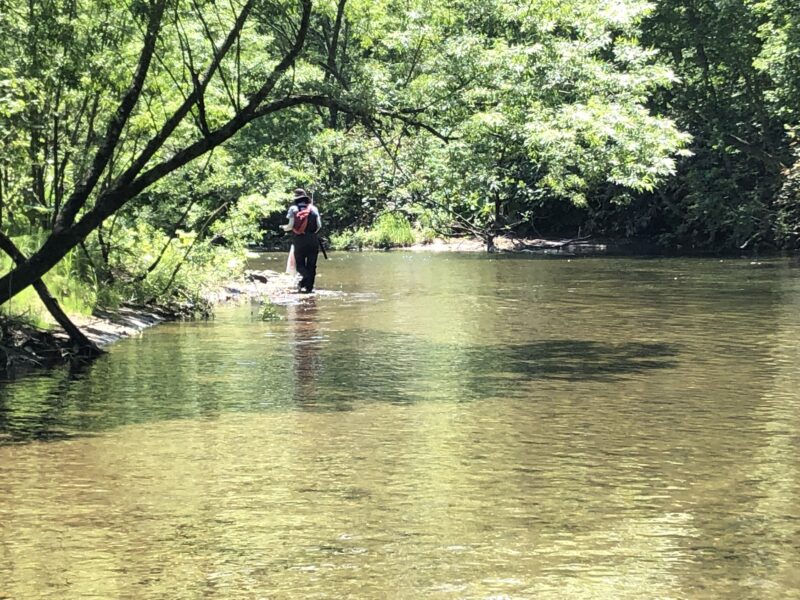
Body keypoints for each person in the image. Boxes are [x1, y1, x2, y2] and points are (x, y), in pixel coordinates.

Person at [282, 188, 321, 293]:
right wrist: (311, 233)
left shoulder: (293, 209)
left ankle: (304, 280)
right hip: (313, 240)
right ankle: (309, 288)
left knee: (300, 265)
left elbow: (290, 226)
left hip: (299, 240)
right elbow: (319, 226)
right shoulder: (314, 209)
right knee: (312, 265)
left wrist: (284, 228)